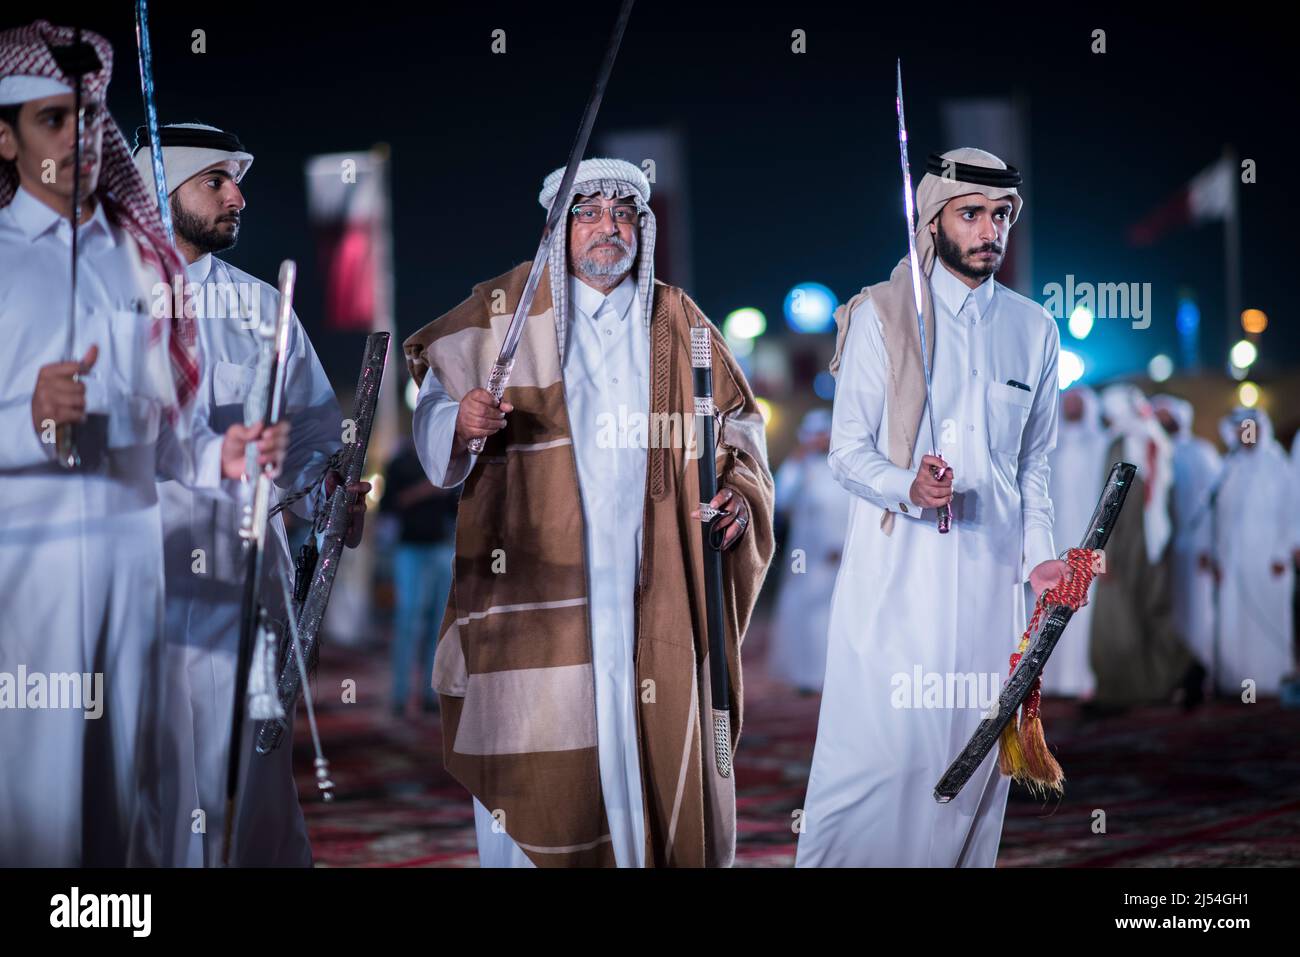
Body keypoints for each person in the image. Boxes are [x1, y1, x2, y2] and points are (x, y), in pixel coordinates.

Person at [404, 158, 774, 867]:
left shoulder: (678, 318)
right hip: (538, 587)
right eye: (589, 212)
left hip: (655, 580)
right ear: (556, 228)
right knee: (538, 763)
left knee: (652, 753)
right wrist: (459, 421)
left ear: (645, 227)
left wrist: (738, 494)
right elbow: (433, 418)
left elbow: (738, 429)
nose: (609, 227)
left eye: (625, 213)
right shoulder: (501, 314)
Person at [0, 21, 286, 866]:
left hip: (135, 566)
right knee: (35, 802)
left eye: (91, 119)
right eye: (54, 119)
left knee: (130, 796)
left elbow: (167, 434)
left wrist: (218, 456)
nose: (80, 139)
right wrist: (26, 414)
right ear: (5, 136)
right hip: (27, 573)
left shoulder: (139, 262)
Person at [797, 148, 1064, 868]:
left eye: (1001, 215)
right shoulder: (880, 315)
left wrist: (1041, 555)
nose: (989, 230)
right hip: (897, 575)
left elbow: (1035, 462)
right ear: (934, 219)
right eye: (971, 213)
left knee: (972, 755)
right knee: (883, 756)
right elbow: (847, 452)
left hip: (990, 581)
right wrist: (907, 485)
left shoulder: (1034, 328)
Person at [131, 121, 368, 867]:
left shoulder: (264, 308)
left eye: (238, 182)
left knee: (250, 769)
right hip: (135, 577)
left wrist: (333, 492)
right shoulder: (98, 297)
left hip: (245, 583)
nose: (238, 196)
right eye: (215, 182)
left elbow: (311, 445)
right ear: (159, 193)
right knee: (142, 768)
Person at [1088, 384, 1200, 711]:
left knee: (1124, 612)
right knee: (1143, 611)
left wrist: (1100, 551)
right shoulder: (1154, 439)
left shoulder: (1125, 443)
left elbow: (1108, 503)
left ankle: (1129, 689)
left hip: (1126, 543)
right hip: (1150, 542)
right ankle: (1153, 682)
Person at [1209, 407, 1296, 696]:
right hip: (1233, 558)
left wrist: (1283, 552)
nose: (1245, 435)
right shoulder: (1229, 467)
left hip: (1269, 558)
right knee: (1236, 619)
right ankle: (1239, 683)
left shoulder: (1277, 464)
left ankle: (1269, 682)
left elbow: (1292, 510)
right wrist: (1218, 557)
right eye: (1240, 430)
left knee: (1268, 620)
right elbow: (1219, 517)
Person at [768, 408, 849, 694]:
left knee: (837, 612)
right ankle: (806, 676)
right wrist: (796, 460)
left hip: (841, 551)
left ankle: (836, 677)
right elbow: (780, 499)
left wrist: (843, 544)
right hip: (804, 554)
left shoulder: (844, 465)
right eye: (813, 436)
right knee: (803, 609)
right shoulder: (799, 468)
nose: (819, 441)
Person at [381, 437, 459, 716]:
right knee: (408, 622)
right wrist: (424, 492)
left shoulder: (446, 463)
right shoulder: (399, 464)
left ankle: (429, 693)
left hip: (441, 548)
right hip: (410, 549)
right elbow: (389, 506)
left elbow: (456, 507)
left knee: (438, 625)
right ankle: (400, 695)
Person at [1042, 386, 1109, 698]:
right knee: (1054, 602)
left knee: (1085, 608)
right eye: (1066, 402)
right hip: (1056, 539)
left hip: (1089, 540)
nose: (1070, 408)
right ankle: (1052, 680)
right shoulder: (1049, 447)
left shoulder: (1101, 446)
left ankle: (1083, 679)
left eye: (1075, 403)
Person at [1152, 394, 1221, 670]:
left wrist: (1207, 546)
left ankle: (1200, 670)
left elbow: (1212, 505)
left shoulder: (1200, 451)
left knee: (1196, 610)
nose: (1163, 421)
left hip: (1194, 546)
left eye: (1168, 416)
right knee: (1167, 611)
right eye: (1158, 416)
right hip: (1162, 550)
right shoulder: (1153, 451)